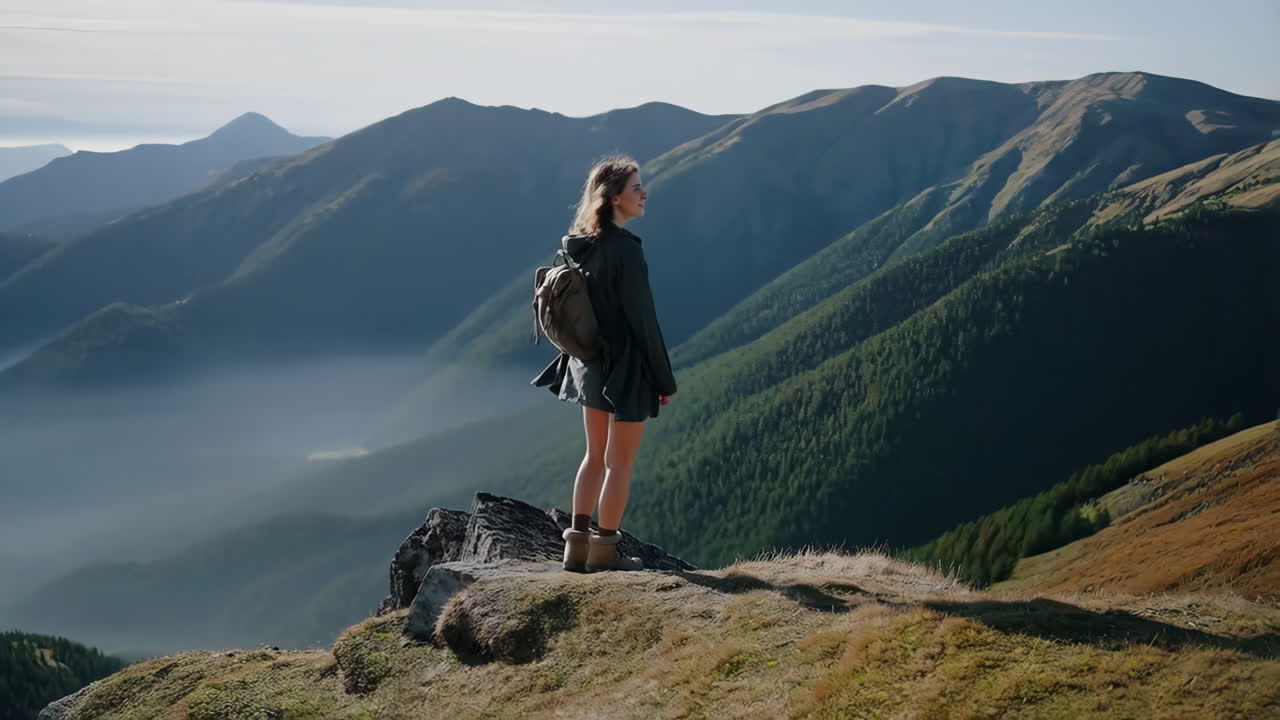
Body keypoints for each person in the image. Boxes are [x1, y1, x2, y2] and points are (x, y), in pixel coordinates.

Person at [530, 153, 678, 573]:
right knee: (620, 463)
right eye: (636, 187)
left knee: (593, 456)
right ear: (614, 197)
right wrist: (663, 380)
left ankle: (575, 548)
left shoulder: (577, 245)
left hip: (586, 362)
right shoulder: (626, 250)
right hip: (626, 366)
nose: (644, 193)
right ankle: (605, 554)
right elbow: (643, 321)